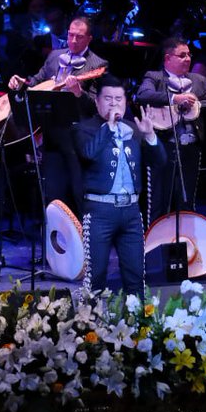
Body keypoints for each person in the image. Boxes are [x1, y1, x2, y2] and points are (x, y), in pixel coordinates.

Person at [73, 75, 163, 294]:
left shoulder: (134, 128)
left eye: (119, 99)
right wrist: (109, 127)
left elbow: (159, 162)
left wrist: (150, 135)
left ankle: (137, 325)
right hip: (99, 211)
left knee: (135, 277)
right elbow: (88, 154)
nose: (114, 103)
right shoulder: (84, 128)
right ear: (97, 102)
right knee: (96, 277)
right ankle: (93, 326)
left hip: (131, 212)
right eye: (108, 98)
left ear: (125, 102)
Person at [8, 16, 107, 207]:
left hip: (78, 135)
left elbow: (97, 106)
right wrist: (22, 83)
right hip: (51, 131)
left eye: (79, 36)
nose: (74, 40)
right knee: (52, 192)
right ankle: (53, 233)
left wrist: (79, 93)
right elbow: (37, 82)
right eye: (71, 35)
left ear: (89, 38)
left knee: (79, 191)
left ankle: (82, 235)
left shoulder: (97, 64)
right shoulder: (55, 56)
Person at [136, 37, 206, 221]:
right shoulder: (154, 77)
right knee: (159, 202)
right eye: (182, 55)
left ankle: (183, 248)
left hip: (190, 149)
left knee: (186, 202)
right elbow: (142, 95)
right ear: (168, 58)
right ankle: (156, 248)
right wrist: (174, 99)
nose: (188, 58)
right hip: (162, 148)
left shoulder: (199, 81)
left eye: (189, 55)